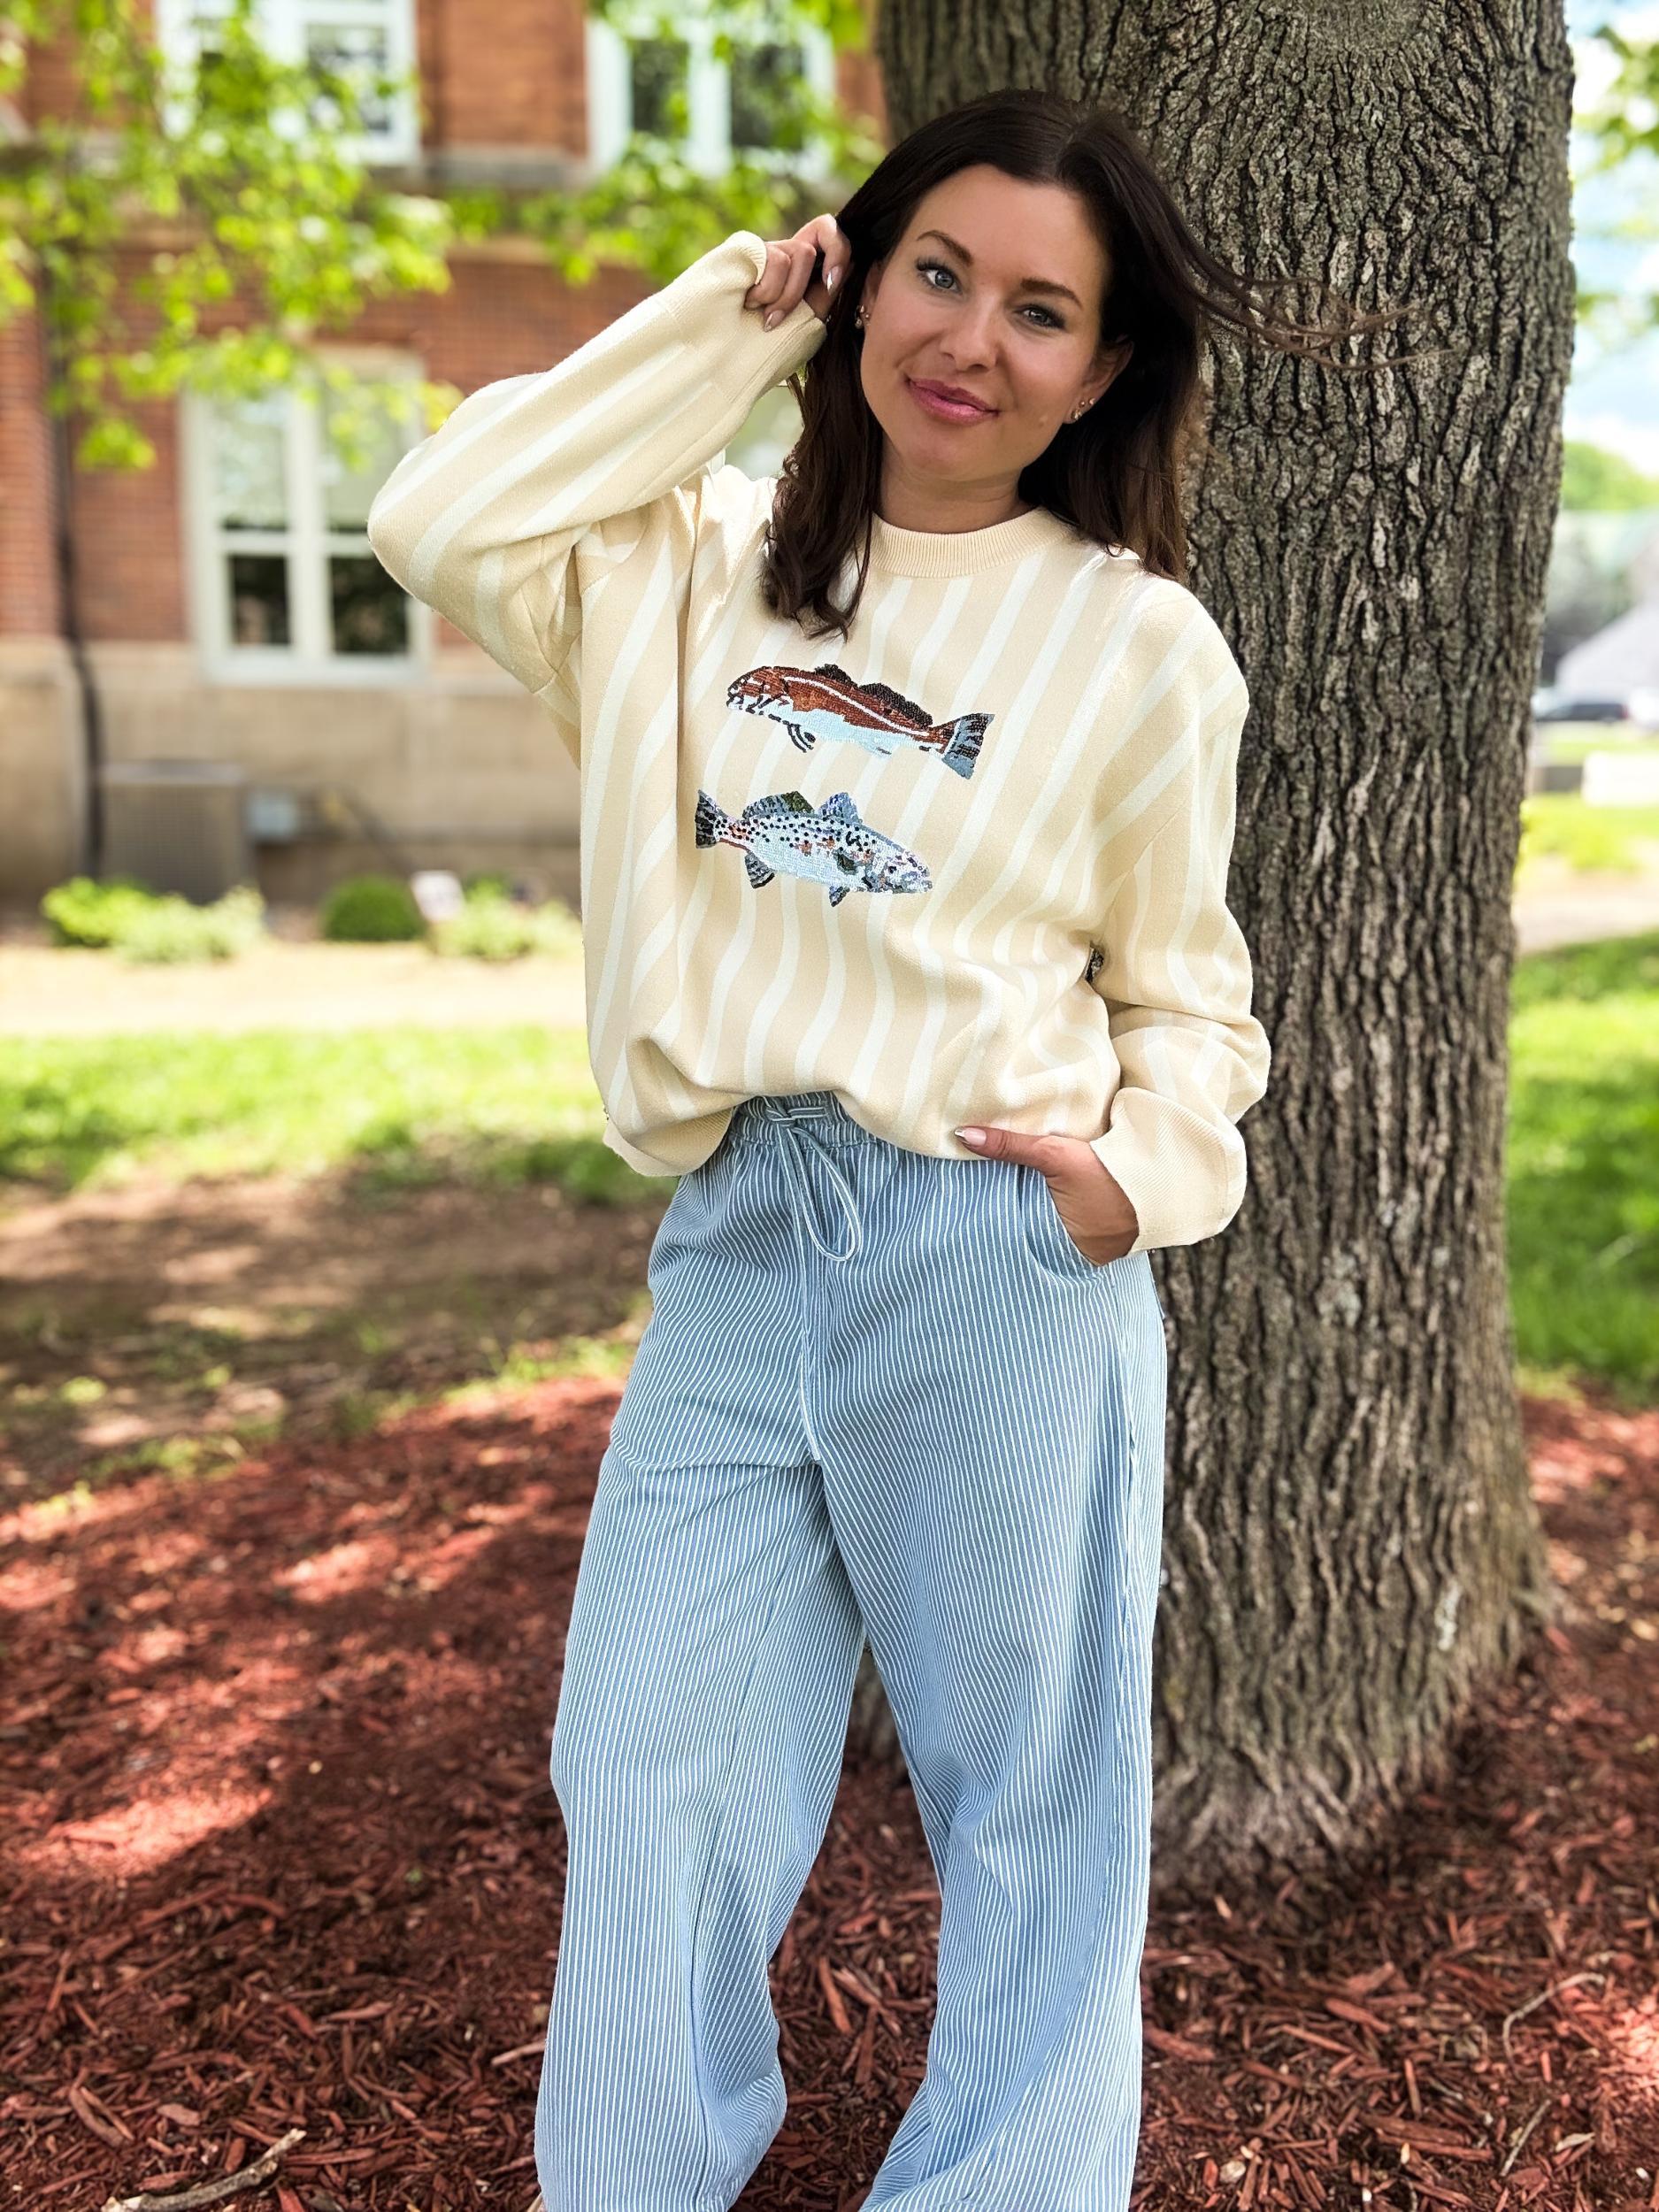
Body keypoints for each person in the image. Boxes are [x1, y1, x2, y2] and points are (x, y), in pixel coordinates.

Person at [367, 84, 1403, 2212]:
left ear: (1098, 370)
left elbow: (1187, 997)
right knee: (642, 1755)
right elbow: (441, 516)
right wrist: (725, 323)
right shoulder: (686, 564)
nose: (969, 339)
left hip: (995, 1249)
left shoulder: (1133, 644)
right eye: (933, 271)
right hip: (744, 1236)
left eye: (1040, 309)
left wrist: (1133, 1178)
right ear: (857, 284)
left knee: (1027, 1798)